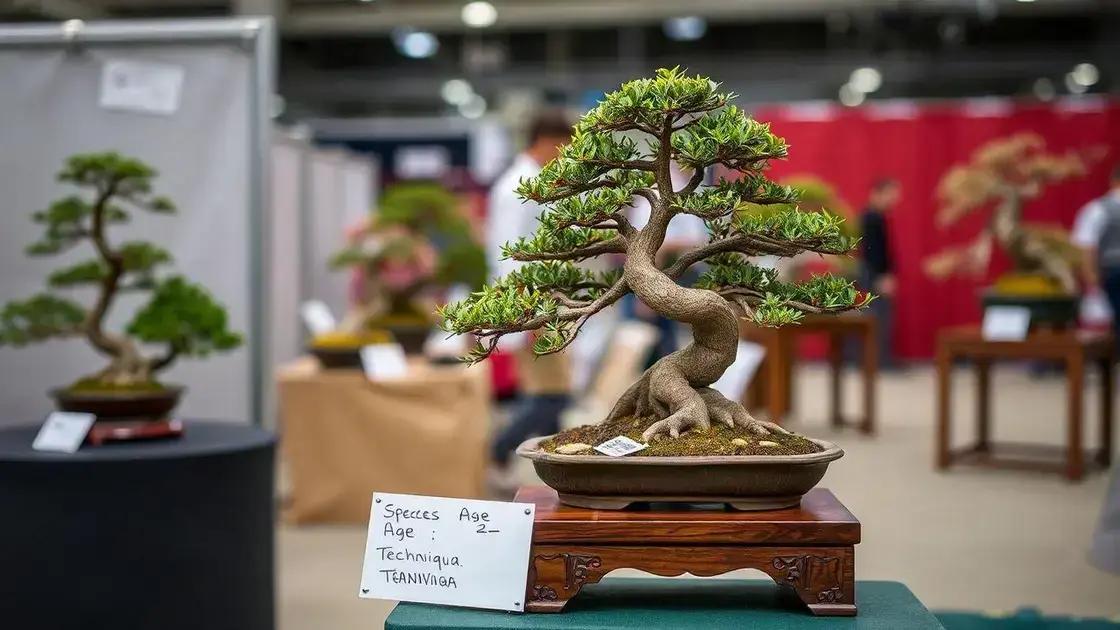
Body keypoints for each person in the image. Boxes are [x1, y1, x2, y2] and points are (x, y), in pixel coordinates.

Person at [486, 111, 575, 489]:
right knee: (553, 395)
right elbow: (510, 257)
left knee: (547, 393)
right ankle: (497, 450)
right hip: (533, 303)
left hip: (543, 300)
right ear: (546, 141)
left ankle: (558, 473)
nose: (564, 154)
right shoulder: (517, 187)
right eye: (562, 146)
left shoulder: (532, 182)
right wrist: (528, 315)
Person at [1072, 163, 1120, 341]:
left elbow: (1085, 246)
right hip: (1113, 274)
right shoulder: (1100, 210)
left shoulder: (1096, 210)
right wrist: (1092, 279)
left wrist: (1091, 278)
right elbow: (1087, 248)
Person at [859, 178, 901, 368]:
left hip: (875, 274)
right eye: (891, 195)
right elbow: (872, 252)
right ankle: (877, 361)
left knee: (881, 317)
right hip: (873, 276)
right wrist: (882, 277)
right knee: (877, 317)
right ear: (878, 193)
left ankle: (880, 359)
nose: (894, 200)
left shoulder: (878, 218)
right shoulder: (870, 219)